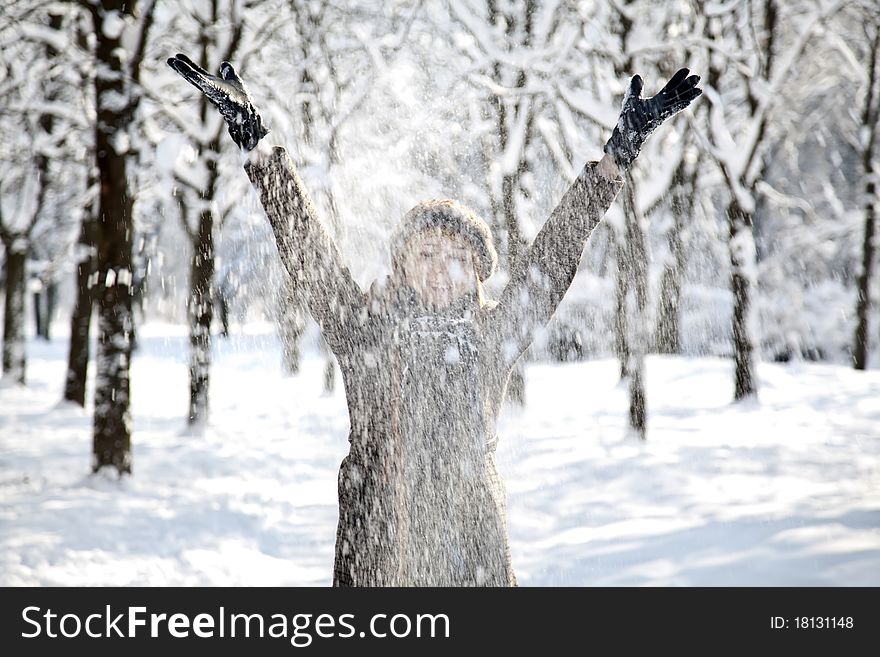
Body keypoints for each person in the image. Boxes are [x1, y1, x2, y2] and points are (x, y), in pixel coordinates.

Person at [167, 53, 701, 586]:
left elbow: (553, 257)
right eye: (426, 254)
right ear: (401, 266)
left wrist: (614, 162)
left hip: (476, 564)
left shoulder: (493, 336)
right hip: (376, 564)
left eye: (456, 257)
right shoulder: (364, 331)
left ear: (476, 272)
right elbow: (310, 253)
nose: (441, 270)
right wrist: (259, 152)